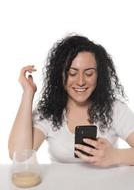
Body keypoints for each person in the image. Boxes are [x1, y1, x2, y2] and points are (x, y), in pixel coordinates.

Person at [8, 34, 134, 167]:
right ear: (60, 75)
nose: (80, 81)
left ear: (99, 76)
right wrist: (28, 94)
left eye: (89, 73)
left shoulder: (115, 109)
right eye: (72, 73)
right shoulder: (49, 112)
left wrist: (115, 156)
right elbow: (18, 154)